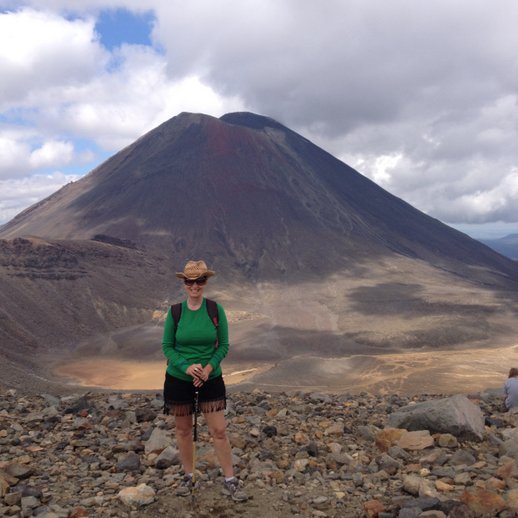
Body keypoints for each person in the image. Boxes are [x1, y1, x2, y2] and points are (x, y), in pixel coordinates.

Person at [162, 260, 246, 502]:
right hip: (179, 378)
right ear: (184, 283)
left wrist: (208, 368)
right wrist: (187, 367)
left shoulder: (215, 310)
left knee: (219, 430)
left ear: (206, 282)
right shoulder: (175, 312)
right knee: (183, 430)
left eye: (199, 281)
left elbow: (224, 345)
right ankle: (189, 476)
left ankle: (230, 479)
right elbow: (167, 347)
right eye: (190, 281)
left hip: (210, 378)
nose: (194, 286)